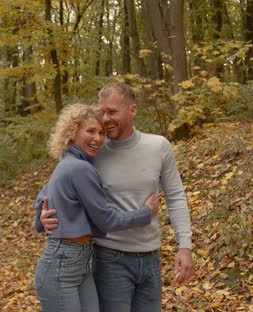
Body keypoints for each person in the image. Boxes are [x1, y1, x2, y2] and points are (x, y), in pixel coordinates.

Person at [38, 82, 194, 311]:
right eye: (102, 112)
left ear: (132, 110)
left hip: (151, 257)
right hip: (109, 258)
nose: (106, 119)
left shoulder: (159, 146)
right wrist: (41, 216)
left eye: (112, 112)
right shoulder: (93, 151)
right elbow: (52, 188)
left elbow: (176, 196)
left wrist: (185, 246)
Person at [33, 103, 161, 312]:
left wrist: (40, 220)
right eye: (90, 131)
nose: (98, 138)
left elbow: (40, 200)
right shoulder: (79, 168)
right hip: (61, 266)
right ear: (72, 132)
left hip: (81, 262)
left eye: (101, 132)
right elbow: (106, 220)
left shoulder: (70, 163)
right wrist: (146, 213)